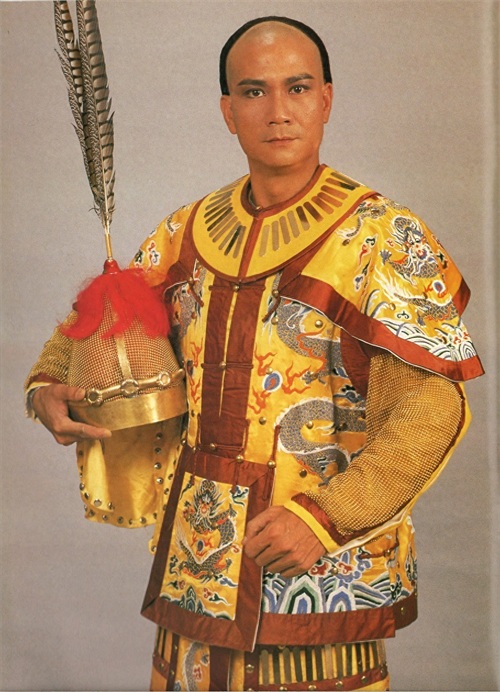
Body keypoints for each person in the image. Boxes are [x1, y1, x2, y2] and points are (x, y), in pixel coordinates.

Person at [26, 16, 484, 692]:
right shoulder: (185, 232)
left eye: (297, 88)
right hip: (200, 560)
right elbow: (97, 323)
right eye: (253, 91)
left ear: (326, 99)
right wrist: (48, 384)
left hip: (317, 564)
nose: (277, 111)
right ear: (227, 112)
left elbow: (431, 410)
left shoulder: (382, 237)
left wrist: (326, 519)